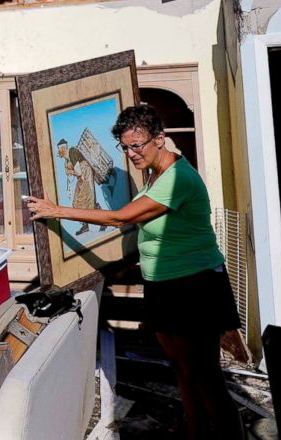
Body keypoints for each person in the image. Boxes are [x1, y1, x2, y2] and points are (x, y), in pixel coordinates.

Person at [27, 104, 243, 440]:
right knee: (182, 371)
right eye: (124, 147)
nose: (130, 154)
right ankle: (196, 432)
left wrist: (56, 211)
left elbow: (121, 217)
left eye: (136, 145)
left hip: (195, 285)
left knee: (206, 378)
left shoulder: (178, 179)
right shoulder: (155, 174)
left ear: (160, 139)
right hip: (164, 285)